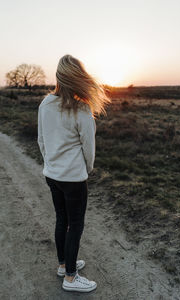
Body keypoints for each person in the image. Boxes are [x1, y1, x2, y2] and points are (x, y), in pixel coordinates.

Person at [37, 54, 111, 292]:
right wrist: (86, 169)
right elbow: (88, 147)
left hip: (53, 175)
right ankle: (71, 276)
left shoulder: (45, 104)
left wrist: (50, 163)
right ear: (79, 77)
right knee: (75, 224)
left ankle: (63, 264)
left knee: (62, 219)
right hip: (73, 178)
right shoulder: (81, 108)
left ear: (59, 76)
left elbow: (41, 140)